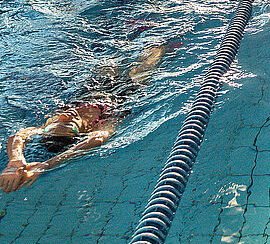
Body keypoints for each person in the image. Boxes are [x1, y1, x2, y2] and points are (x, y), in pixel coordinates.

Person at [0, 42, 176, 193]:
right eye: (69, 124)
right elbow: (98, 139)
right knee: (153, 56)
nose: (64, 116)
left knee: (111, 60)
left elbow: (18, 136)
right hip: (122, 94)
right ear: (82, 131)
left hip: (89, 91)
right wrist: (47, 165)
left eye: (57, 121)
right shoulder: (100, 125)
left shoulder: (51, 123)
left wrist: (16, 160)